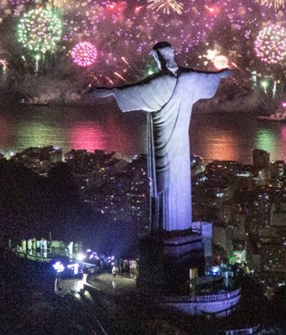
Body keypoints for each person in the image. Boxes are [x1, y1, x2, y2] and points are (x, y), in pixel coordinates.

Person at [91, 42, 231, 233]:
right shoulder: (189, 78)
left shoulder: (161, 82)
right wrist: (219, 75)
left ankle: (166, 229)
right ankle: (179, 228)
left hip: (163, 140)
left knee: (163, 181)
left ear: (158, 58)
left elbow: (136, 90)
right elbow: (205, 77)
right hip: (182, 144)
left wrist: (111, 92)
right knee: (178, 179)